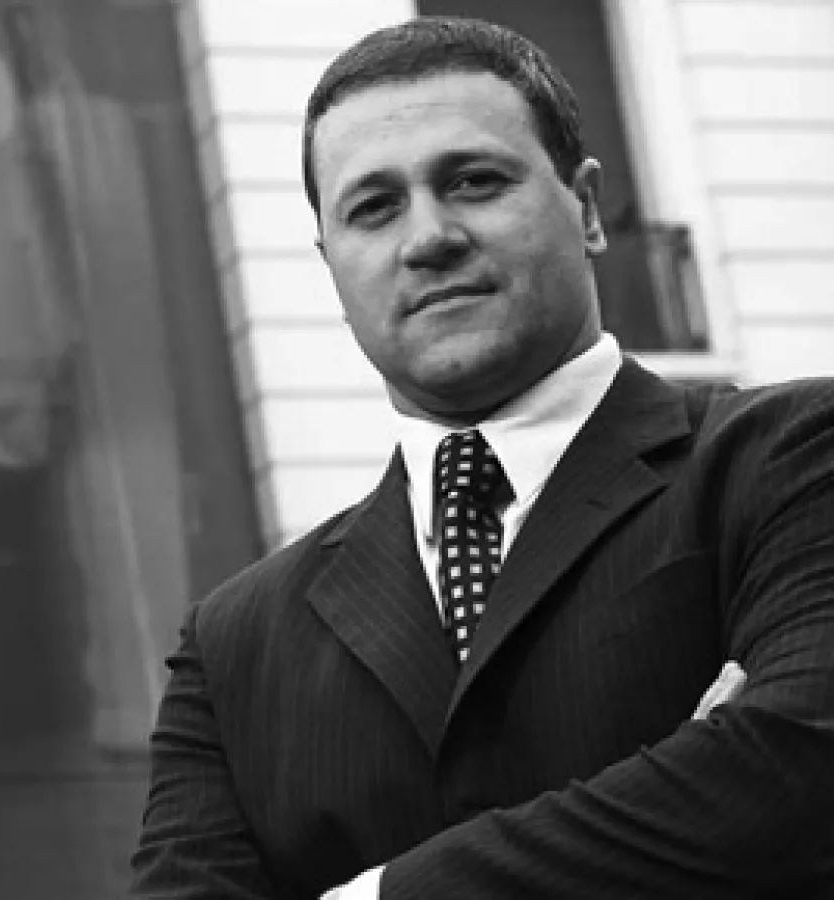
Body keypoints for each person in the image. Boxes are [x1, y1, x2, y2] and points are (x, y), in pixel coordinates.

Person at [130, 16, 834, 899]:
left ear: (586, 209)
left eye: (474, 181)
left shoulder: (798, 458)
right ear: (331, 265)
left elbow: (794, 770)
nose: (428, 237)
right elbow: (744, 807)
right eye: (373, 208)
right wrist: (692, 792)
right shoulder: (233, 646)